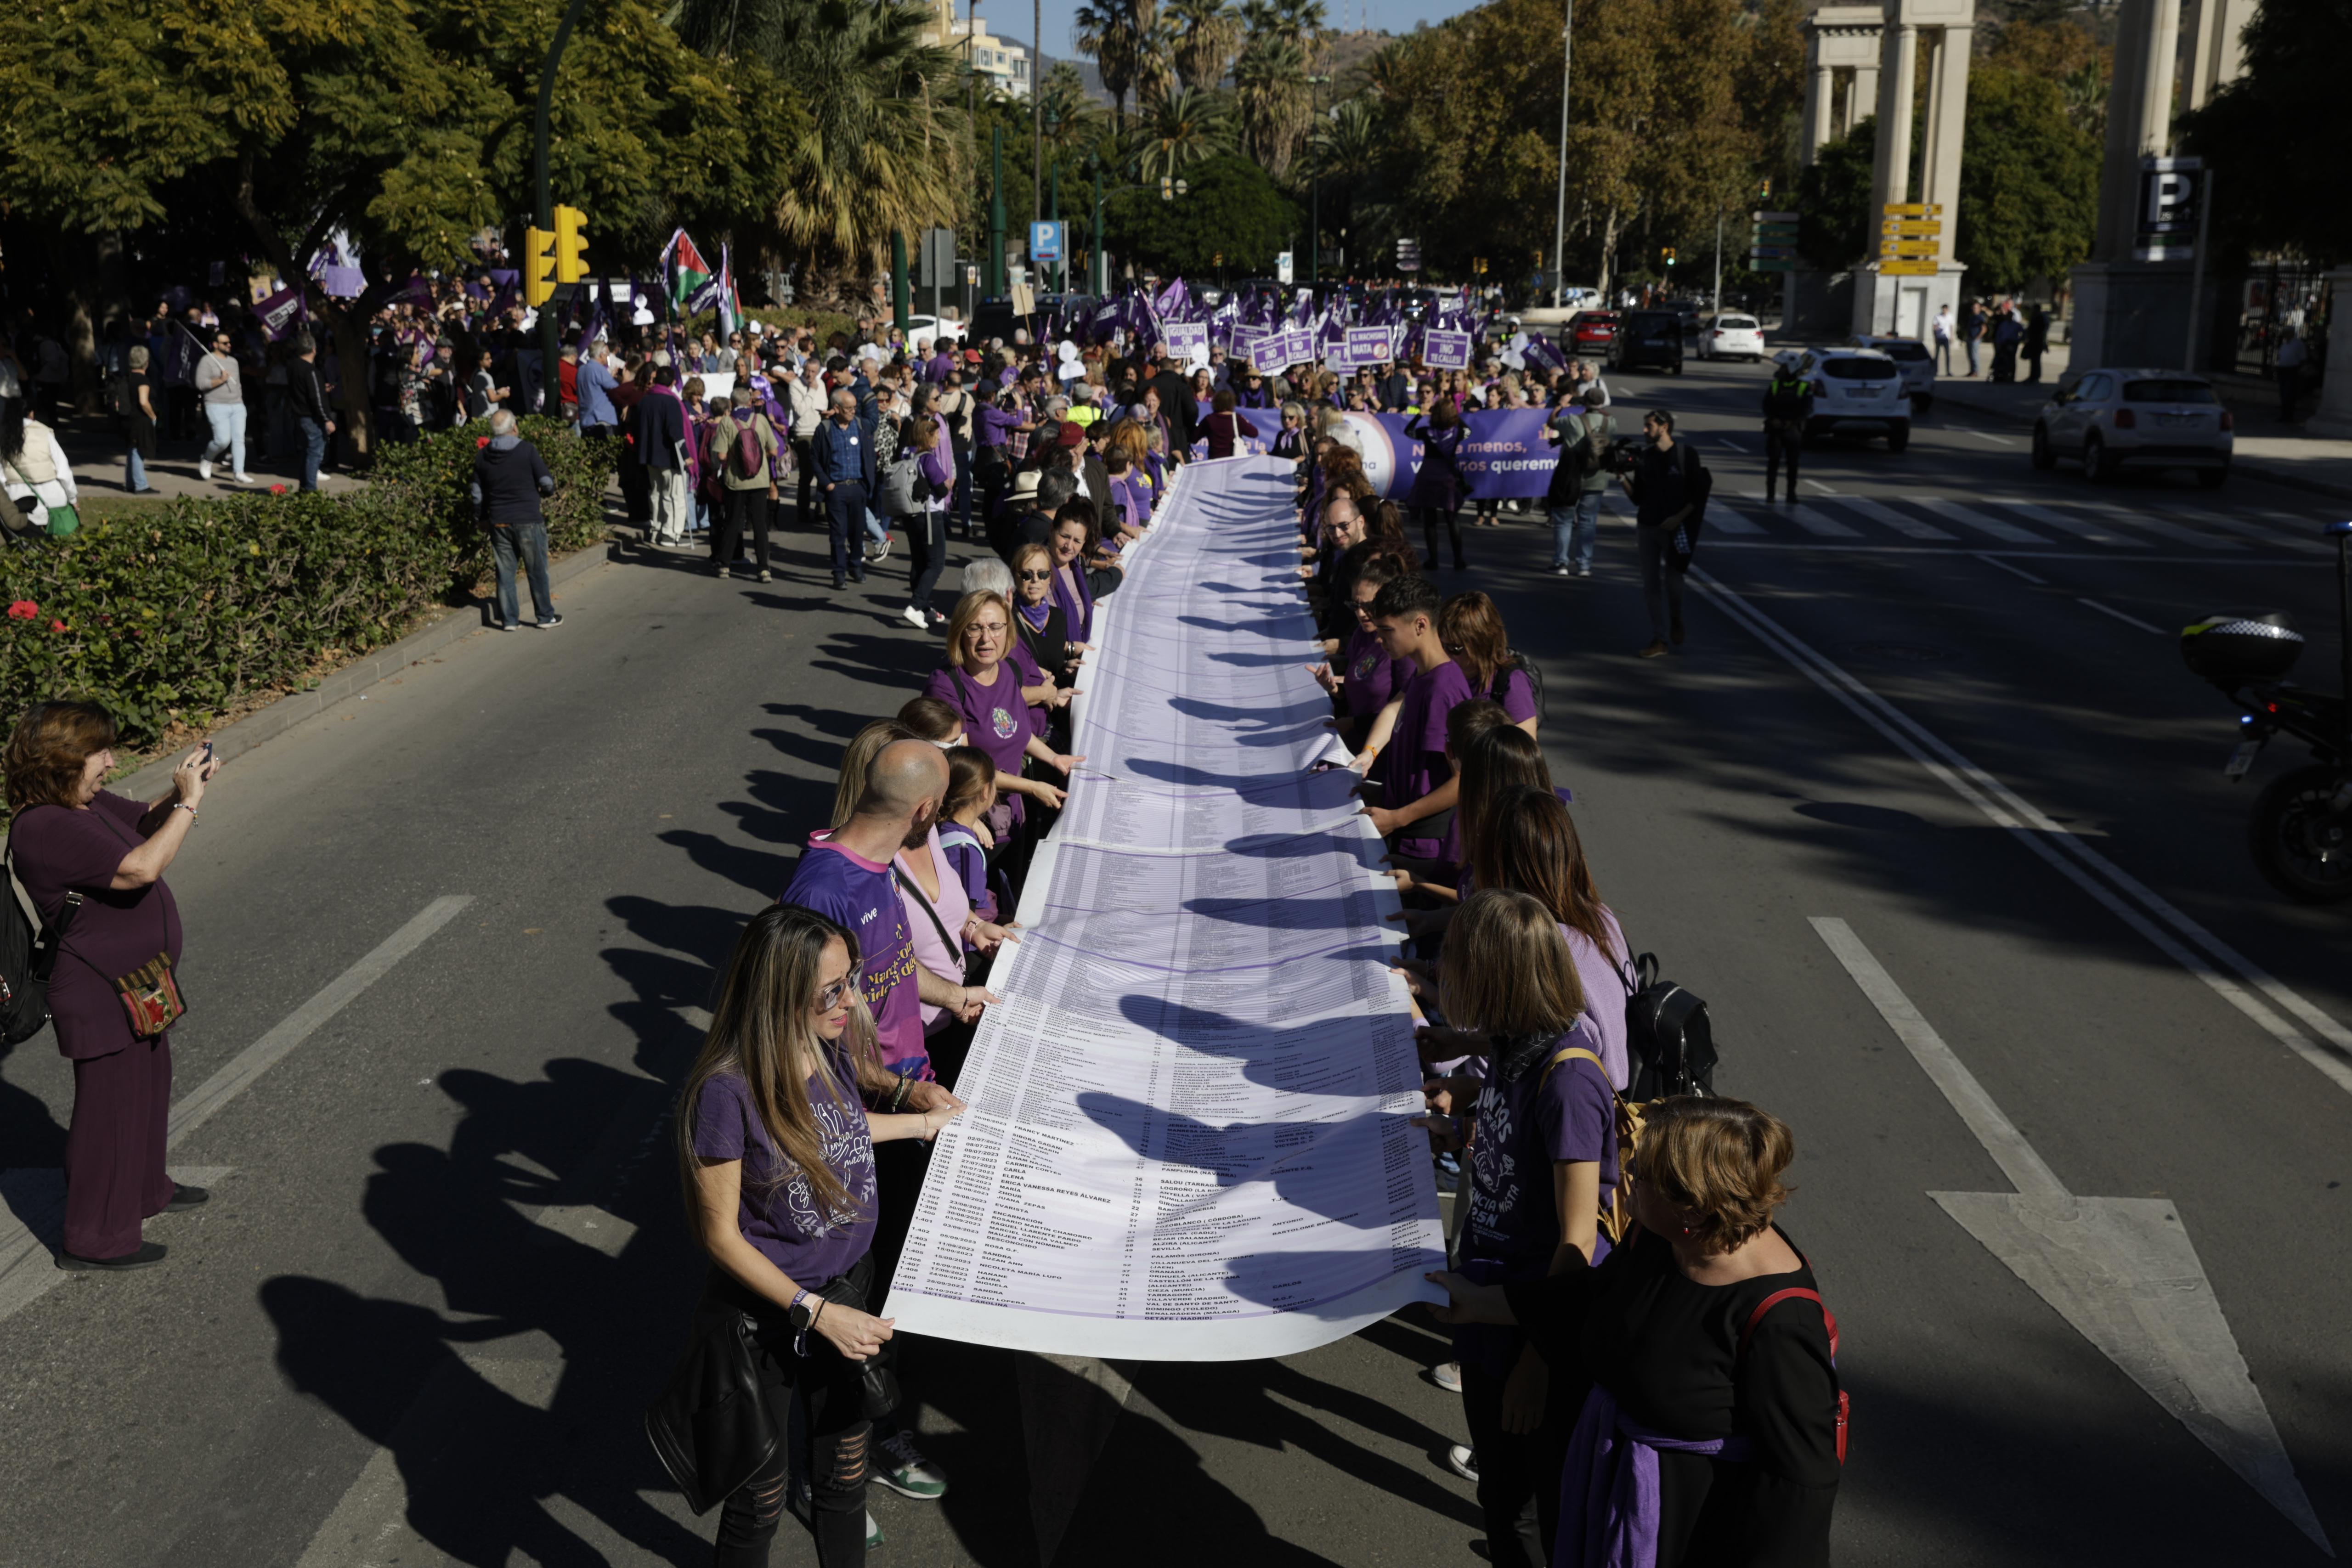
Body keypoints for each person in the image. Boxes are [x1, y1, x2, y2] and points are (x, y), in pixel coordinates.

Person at [1426, 1096, 1842, 1568]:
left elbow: (1799, 1484)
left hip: (1687, 1537)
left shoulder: (1779, 1321)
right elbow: (1589, 1298)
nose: (1626, 1183)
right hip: (1608, 1498)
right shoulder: (1659, 1238)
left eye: (1640, 1175)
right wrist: (1478, 1303)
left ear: (1690, 1204)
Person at [676, 903, 967, 1568]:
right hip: (769, 1323)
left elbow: (841, 1131)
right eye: (833, 990)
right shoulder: (726, 1091)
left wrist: (922, 1122)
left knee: (843, 1480)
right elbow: (720, 1235)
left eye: (852, 978)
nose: (852, 999)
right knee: (761, 1501)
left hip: (848, 1294)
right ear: (780, 996)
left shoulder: (822, 1042)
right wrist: (816, 1312)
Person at [1414, 888, 1617, 1568]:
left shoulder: (1567, 1081)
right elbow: (1515, 1146)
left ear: (1497, 977)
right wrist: (1460, 1125)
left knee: (1531, 1516)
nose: (1448, 977)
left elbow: (1578, 1240)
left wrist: (1539, 1359)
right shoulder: (1512, 1046)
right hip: (1488, 1310)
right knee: (1501, 1498)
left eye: (1459, 965)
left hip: (1531, 1330)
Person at [4, 701, 222, 1269]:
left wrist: (181, 790)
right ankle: (95, 1239)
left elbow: (141, 821)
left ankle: (147, 1191)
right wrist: (192, 808)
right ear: (63, 759)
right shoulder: (45, 827)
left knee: (147, 1091)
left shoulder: (82, 803)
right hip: (99, 992)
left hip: (138, 982)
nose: (111, 762)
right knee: (108, 1114)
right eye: (100, 752)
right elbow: (140, 868)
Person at [921, 592, 1084, 834]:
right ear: (960, 632)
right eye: (975, 628)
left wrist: (1053, 759)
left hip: (1009, 811)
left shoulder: (1008, 670)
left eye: (996, 627)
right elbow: (963, 766)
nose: (987, 638)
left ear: (1008, 630)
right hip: (970, 820)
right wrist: (1030, 787)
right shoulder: (945, 685)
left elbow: (1018, 731)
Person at [1355, 575, 1474, 875]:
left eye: (1387, 631)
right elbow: (1395, 707)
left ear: (1420, 625)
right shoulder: (1423, 674)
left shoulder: (1443, 689)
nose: (1380, 640)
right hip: (1406, 831)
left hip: (1424, 846)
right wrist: (1369, 754)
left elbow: (1463, 781)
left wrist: (1397, 819)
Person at [468, 410, 564, 630]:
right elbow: (547, 483)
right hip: (528, 519)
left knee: (505, 573)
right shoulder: (527, 450)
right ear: (514, 428)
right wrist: (545, 494)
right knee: (537, 570)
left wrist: (481, 517)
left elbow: (477, 493)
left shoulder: (482, 456)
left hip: (499, 521)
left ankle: (509, 620)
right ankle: (544, 616)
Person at [1619, 409, 1700, 659]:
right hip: (1647, 528)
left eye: (1649, 426)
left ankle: (1676, 618)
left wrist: (1678, 518)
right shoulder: (1646, 458)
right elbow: (1638, 499)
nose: (1645, 431)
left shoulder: (1686, 455)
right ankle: (1659, 638)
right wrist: (1622, 477)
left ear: (1664, 428)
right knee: (1650, 585)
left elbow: (1697, 495)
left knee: (1674, 583)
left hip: (1676, 530)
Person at [705, 385, 782, 583]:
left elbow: (721, 455)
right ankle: (764, 569)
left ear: (731, 404)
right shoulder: (762, 420)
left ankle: (725, 565)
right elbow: (774, 451)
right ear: (750, 402)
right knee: (760, 525)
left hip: (736, 482)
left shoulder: (727, 423)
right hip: (760, 480)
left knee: (732, 523)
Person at [1439, 592, 1538, 735]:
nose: (1444, 653)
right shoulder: (1443, 673)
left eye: (1454, 648)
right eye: (1440, 644)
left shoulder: (1511, 682)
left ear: (1480, 643)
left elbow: (1523, 750)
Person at [813, 389, 876, 590]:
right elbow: (814, 459)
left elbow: (870, 453)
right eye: (849, 408)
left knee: (857, 532)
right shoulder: (824, 429)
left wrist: (867, 483)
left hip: (858, 488)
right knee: (838, 534)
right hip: (836, 489)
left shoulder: (861, 426)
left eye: (855, 407)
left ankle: (856, 565)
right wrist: (827, 483)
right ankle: (839, 573)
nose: (853, 411)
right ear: (837, 409)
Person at [1545, 388, 1612, 577]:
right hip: (1596, 478)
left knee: (1564, 520)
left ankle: (1561, 562)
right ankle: (1584, 565)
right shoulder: (1610, 422)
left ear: (1584, 402)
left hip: (1570, 478)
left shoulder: (1573, 421)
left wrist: (1561, 406)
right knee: (1588, 523)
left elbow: (1551, 423)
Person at [899, 414, 958, 631]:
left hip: (911, 514)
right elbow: (942, 489)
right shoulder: (928, 458)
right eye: (935, 434)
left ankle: (923, 609)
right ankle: (915, 607)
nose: (938, 439)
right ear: (928, 435)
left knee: (919, 561)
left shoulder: (908, 454)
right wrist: (949, 484)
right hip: (929, 515)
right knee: (936, 563)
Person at [1404, 397, 1470, 572]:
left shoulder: (1427, 432)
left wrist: (1420, 415)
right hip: (1448, 476)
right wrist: (1456, 417)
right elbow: (1468, 430)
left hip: (1428, 476)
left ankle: (1433, 560)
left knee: (1430, 520)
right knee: (1452, 517)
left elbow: (1408, 432)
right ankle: (1458, 559)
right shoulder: (1456, 433)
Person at [1, 400, 80, 536]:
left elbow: (2, 479)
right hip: (53, 500)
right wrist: (73, 499)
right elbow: (64, 472)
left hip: (20, 502)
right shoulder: (44, 433)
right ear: (31, 413)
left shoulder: (3, 437)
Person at [636, 365, 692, 549]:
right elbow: (675, 432)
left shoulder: (645, 400)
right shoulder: (671, 402)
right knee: (673, 495)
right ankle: (670, 533)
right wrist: (686, 456)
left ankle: (657, 530)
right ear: (674, 382)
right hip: (669, 457)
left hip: (650, 456)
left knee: (656, 494)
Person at [195, 327, 251, 485]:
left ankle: (239, 472)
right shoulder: (207, 361)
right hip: (216, 405)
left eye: (229, 342)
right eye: (225, 343)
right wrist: (220, 380)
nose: (229, 345)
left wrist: (240, 401)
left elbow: (238, 384)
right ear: (215, 344)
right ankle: (207, 459)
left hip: (237, 406)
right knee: (222, 440)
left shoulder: (233, 361)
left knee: (239, 439)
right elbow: (200, 384)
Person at [1759, 363, 1812, 505]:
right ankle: (1770, 495)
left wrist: (1792, 422)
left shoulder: (1803, 387)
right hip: (1776, 430)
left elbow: (1807, 409)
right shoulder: (1776, 386)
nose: (1780, 371)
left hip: (1793, 431)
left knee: (1793, 464)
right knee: (1773, 462)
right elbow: (1766, 405)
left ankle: (1791, 494)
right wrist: (1773, 419)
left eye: (1783, 368)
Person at [288, 333, 334, 492]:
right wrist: (327, 419)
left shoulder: (293, 367)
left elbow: (308, 392)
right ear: (314, 350)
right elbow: (316, 398)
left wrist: (322, 389)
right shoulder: (311, 371)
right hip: (311, 417)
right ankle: (310, 488)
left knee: (306, 452)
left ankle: (305, 487)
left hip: (299, 416)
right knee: (315, 453)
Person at [122, 345, 158, 494]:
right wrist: (153, 416)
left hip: (129, 419)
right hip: (140, 420)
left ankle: (131, 483)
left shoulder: (128, 378)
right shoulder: (142, 380)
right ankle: (141, 485)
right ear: (146, 362)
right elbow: (144, 402)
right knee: (139, 452)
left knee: (132, 450)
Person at [1200, 389, 1259, 459]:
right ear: (1231, 403)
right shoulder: (1237, 418)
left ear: (1215, 403)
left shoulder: (1209, 419)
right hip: (1233, 462)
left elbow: (1194, 438)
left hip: (1215, 462)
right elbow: (1254, 433)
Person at [2277, 326, 2309, 423]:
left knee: (2289, 394)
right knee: (2283, 393)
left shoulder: (2298, 344)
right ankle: (2284, 415)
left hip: (2292, 371)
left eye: (2287, 333)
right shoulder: (2284, 344)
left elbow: (2303, 359)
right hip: (2283, 370)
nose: (2285, 335)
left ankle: (2289, 416)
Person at [2021, 305, 2049, 385]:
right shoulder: (2036, 317)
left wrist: (2044, 343)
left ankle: (2035, 377)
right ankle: (2033, 377)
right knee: (2034, 361)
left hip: (2038, 343)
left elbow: (2042, 332)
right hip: (2033, 343)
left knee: (2036, 361)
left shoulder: (2040, 318)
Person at [1931, 304, 1954, 374]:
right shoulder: (1938, 317)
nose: (1944, 310)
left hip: (1946, 337)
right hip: (1939, 337)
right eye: (1943, 309)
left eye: (1946, 309)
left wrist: (1952, 337)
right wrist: (1935, 337)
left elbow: (1951, 327)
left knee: (1947, 355)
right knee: (1937, 355)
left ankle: (1948, 371)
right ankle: (1935, 370)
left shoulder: (1950, 316)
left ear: (1948, 309)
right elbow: (1934, 327)